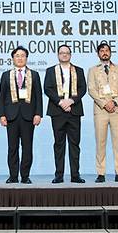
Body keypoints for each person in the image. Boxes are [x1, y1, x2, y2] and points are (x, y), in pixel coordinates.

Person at [0, 46, 43, 184]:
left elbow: (38, 96)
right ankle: (12, 176)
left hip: (28, 116)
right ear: (13, 58)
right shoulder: (6, 75)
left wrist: (38, 114)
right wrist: (2, 115)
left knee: (27, 147)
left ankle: (25, 176)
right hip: (11, 116)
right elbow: (1, 97)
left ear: (26, 58)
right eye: (17, 55)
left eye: (22, 55)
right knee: (12, 147)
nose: (20, 58)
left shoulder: (34, 74)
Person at [43, 44, 87, 183]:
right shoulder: (51, 71)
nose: (64, 55)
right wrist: (61, 102)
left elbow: (82, 88)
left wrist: (71, 101)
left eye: (67, 53)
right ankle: (59, 175)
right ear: (58, 55)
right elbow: (48, 89)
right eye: (62, 53)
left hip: (74, 111)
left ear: (70, 55)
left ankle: (75, 175)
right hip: (57, 111)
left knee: (74, 144)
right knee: (59, 144)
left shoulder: (78, 70)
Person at [87, 42, 118, 183]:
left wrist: (114, 102)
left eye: (107, 50)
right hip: (101, 110)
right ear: (98, 54)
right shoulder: (93, 70)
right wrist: (105, 104)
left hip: (117, 109)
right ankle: (101, 172)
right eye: (102, 50)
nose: (105, 52)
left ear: (110, 53)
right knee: (100, 142)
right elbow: (91, 90)